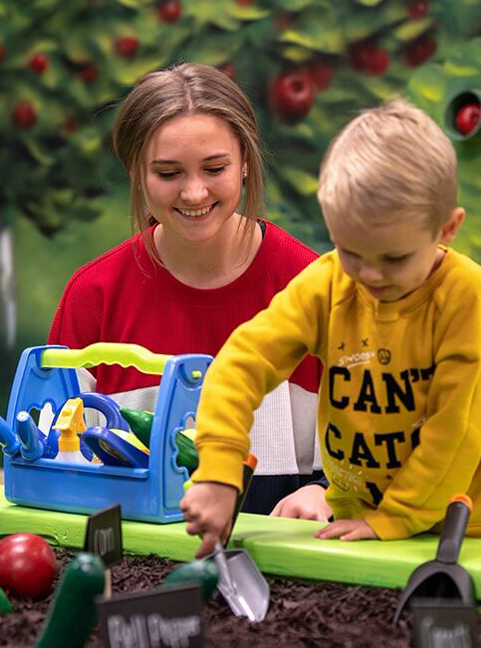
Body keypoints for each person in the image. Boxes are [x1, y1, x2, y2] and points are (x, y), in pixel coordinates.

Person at [181, 97, 481, 557]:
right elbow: (243, 362)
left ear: (447, 228)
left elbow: (455, 432)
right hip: (357, 518)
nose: (371, 275)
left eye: (395, 258)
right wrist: (220, 469)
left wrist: (395, 518)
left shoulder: (466, 298)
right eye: (351, 252)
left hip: (459, 531)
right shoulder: (328, 284)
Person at [49, 62, 330, 519]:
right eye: (168, 173)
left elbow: (367, 448)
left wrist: (325, 492)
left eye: (214, 167)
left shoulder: (312, 285)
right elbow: (54, 464)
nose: (194, 192)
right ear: (137, 172)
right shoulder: (92, 295)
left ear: (244, 162)